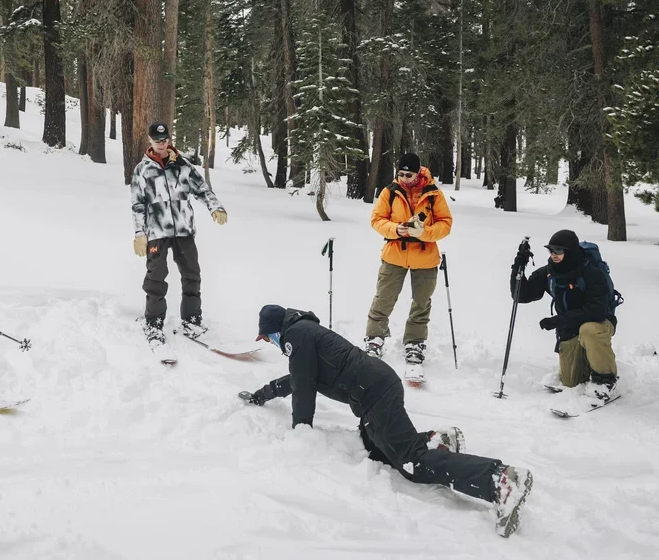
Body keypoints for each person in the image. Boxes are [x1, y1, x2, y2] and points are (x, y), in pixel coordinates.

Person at [246, 305, 533, 538]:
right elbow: (298, 379)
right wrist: (263, 395)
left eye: (267, 338)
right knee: (377, 451)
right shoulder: (303, 331)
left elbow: (304, 386)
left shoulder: (295, 336)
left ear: (274, 331)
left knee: (411, 462)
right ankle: (437, 440)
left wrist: (301, 431)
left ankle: (500, 480)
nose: (270, 343)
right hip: (373, 388)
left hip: (373, 392)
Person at [130, 122, 227, 348]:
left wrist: (216, 207)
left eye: (165, 140)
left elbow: (202, 189)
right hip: (157, 231)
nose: (162, 145)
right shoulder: (142, 170)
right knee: (156, 278)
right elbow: (137, 204)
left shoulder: (183, 166)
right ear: (149, 140)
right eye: (157, 140)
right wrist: (139, 234)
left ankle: (191, 321)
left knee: (192, 274)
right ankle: (153, 324)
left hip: (183, 230)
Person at [364, 152, 452, 371]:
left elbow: (446, 224)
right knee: (384, 298)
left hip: (425, 257)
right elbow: (376, 220)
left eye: (408, 174)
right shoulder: (390, 192)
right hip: (394, 254)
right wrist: (396, 229)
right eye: (400, 173)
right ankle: (375, 337)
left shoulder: (433, 194)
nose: (404, 178)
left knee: (421, 303)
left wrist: (424, 232)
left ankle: (414, 342)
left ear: (418, 172)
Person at [510, 230, 619, 402]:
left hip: (600, 324)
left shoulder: (591, 273)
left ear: (570, 252)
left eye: (558, 251)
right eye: (551, 250)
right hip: (570, 328)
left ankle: (605, 380)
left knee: (589, 330)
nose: (554, 255)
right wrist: (518, 266)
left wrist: (558, 320)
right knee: (570, 381)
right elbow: (521, 295)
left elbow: (595, 312)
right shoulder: (550, 273)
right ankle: (589, 365)